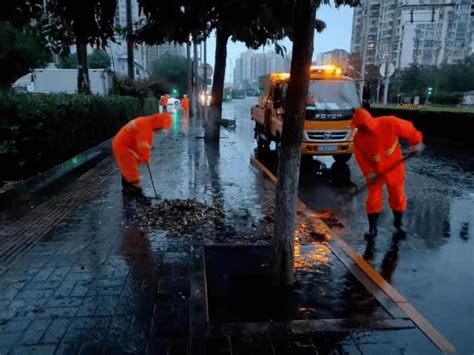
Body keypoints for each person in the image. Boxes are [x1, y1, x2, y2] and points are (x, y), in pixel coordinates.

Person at [351, 108, 424, 238]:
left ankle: (398, 225)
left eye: (362, 127)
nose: (360, 129)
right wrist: (368, 173)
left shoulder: (389, 123)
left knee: (397, 195)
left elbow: (408, 129)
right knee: (373, 199)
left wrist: (416, 142)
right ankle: (372, 229)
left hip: (394, 167)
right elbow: (360, 157)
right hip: (374, 171)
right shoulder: (359, 138)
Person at [112, 113, 172, 204]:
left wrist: (145, 157)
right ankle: (140, 196)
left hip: (126, 144)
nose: (160, 129)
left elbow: (145, 143)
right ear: (159, 123)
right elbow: (143, 145)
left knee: (130, 167)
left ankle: (127, 189)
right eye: (161, 127)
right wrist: (146, 157)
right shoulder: (145, 125)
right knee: (131, 171)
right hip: (122, 146)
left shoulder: (148, 123)